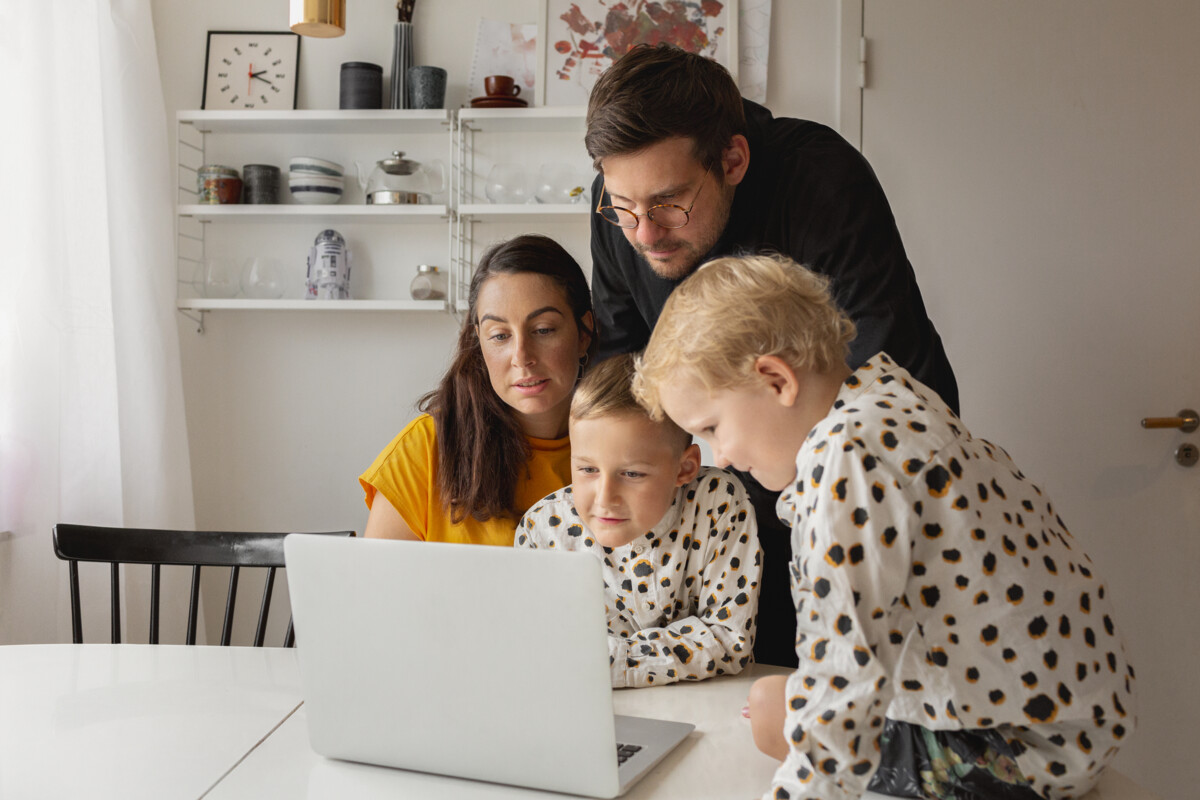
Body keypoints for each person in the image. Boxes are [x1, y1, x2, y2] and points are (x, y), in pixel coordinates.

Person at [632, 253, 1135, 800]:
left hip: (1024, 748)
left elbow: (843, 679)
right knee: (779, 700)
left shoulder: (845, 459)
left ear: (776, 380)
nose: (721, 456)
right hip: (1072, 717)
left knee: (777, 717)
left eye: (712, 427)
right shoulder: (889, 397)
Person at [585, 43, 958, 666]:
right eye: (623, 206)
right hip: (717, 523)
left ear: (732, 159)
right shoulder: (622, 207)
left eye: (670, 204)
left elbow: (887, 380)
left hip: (864, 496)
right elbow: (623, 378)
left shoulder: (819, 178)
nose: (643, 233)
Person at [516, 353, 761, 688]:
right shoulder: (541, 532)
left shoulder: (717, 502)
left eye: (631, 473)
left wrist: (608, 663)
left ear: (685, 468)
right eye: (587, 469)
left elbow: (729, 639)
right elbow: (538, 654)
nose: (604, 498)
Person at [359, 234, 595, 544]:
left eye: (543, 330)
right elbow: (374, 587)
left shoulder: (625, 445)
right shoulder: (425, 450)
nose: (522, 357)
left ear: (583, 334)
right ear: (478, 341)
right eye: (499, 335)